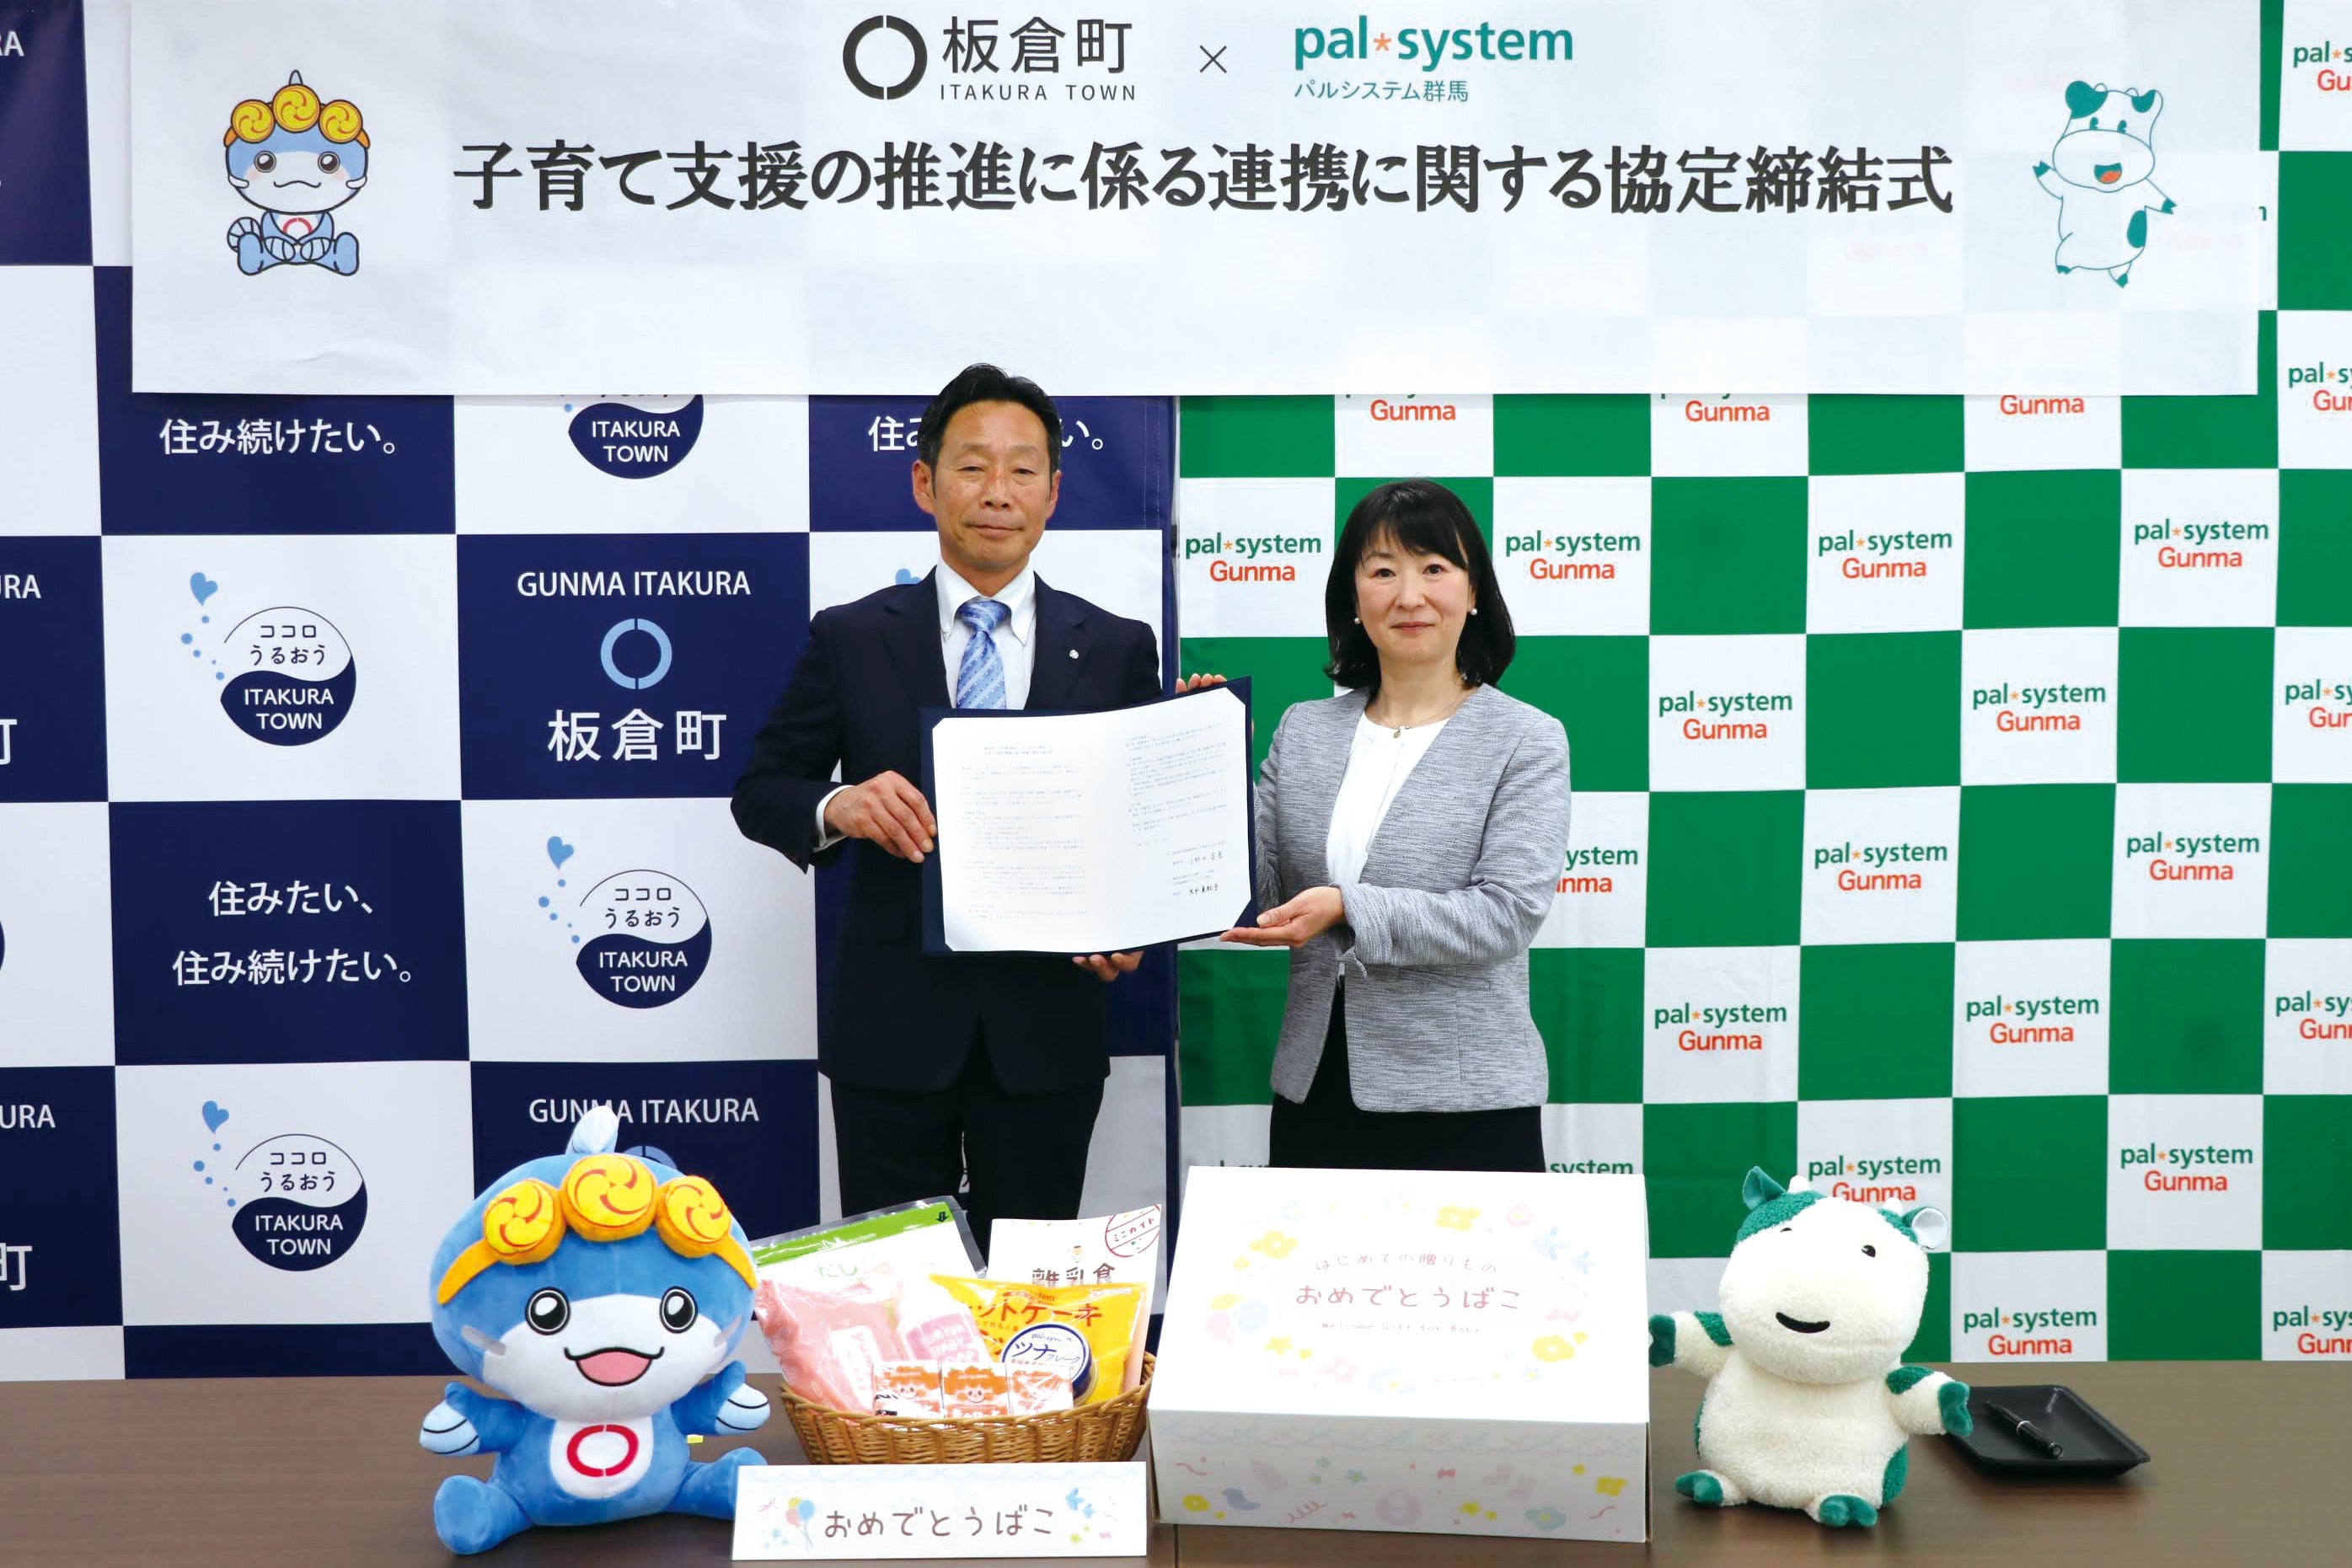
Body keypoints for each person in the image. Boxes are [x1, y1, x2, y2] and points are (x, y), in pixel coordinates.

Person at [731, 363, 1165, 1250]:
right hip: (891, 1027)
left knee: (1028, 1288)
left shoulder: (1118, 646)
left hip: (1047, 1030)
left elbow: (1140, 831)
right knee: (898, 1292)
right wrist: (841, 804)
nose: (997, 491)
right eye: (972, 466)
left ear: (1052, 493)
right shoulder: (852, 635)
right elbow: (763, 788)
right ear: (925, 482)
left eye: (1022, 469)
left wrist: (1133, 924)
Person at [1220, 479, 1568, 1171]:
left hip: (1467, 1103)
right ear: (1353, 598)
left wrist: (1347, 905)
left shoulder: (1525, 738)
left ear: (1473, 592)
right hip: (1315, 1091)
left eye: (1433, 568)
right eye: (1382, 571)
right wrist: (1209, 767)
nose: (1409, 596)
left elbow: (1505, 915)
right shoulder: (1303, 729)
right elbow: (1257, 896)